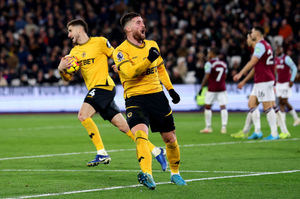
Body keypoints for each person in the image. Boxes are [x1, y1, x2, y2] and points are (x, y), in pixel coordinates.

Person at [57, 18, 167, 170]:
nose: (69, 35)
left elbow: (116, 54)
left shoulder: (100, 42)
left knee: (83, 115)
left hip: (104, 87)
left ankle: (101, 152)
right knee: (126, 128)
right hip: (96, 91)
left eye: (70, 31)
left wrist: (120, 65)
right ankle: (157, 151)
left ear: (79, 29)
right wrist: (61, 69)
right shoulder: (73, 53)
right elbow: (67, 78)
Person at [112, 12, 186, 190]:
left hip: (157, 97)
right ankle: (147, 174)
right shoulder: (120, 51)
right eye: (138, 23)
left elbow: (160, 69)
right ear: (128, 28)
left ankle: (175, 173)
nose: (143, 25)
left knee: (170, 139)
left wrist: (171, 90)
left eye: (143, 22)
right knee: (140, 136)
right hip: (135, 98)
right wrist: (148, 60)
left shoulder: (152, 45)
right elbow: (130, 73)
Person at [234, 26, 279, 140]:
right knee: (251, 103)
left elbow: (253, 61)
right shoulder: (266, 45)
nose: (251, 33)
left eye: (252, 31)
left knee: (267, 107)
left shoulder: (260, 45)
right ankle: (257, 131)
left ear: (257, 34)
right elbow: (257, 66)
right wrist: (244, 80)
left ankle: (274, 134)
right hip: (261, 79)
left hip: (264, 80)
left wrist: (240, 73)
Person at [199, 48, 228, 134]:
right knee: (223, 107)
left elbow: (207, 76)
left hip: (212, 89)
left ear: (212, 54)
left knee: (207, 107)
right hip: (222, 88)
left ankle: (208, 127)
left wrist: (201, 87)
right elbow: (225, 76)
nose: (208, 54)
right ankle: (223, 127)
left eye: (209, 53)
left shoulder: (209, 63)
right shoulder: (223, 63)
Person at [275, 46, 300, 127]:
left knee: (284, 101)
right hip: (279, 84)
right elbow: (276, 71)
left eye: (278, 49)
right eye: (276, 49)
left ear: (282, 50)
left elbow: (294, 68)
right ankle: (282, 121)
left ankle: (296, 118)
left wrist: (292, 80)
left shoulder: (286, 58)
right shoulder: (276, 59)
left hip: (286, 83)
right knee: (280, 102)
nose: (277, 51)